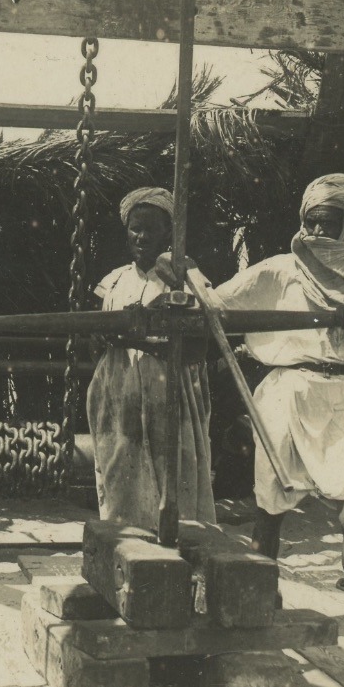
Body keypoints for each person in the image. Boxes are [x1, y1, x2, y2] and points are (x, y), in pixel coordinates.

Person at [160, 174, 344, 661]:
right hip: (286, 393)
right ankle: (261, 598)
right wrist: (188, 276)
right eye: (309, 222)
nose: (315, 232)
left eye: (327, 224)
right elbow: (219, 305)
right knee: (271, 508)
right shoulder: (279, 270)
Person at [85, 187, 217, 531]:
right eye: (135, 228)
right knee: (120, 465)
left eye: (151, 229)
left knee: (171, 466)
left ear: (168, 233)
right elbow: (96, 342)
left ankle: (176, 541)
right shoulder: (113, 282)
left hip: (168, 385)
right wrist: (101, 336)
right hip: (119, 386)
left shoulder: (187, 278)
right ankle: (123, 539)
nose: (141, 236)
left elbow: (201, 343)